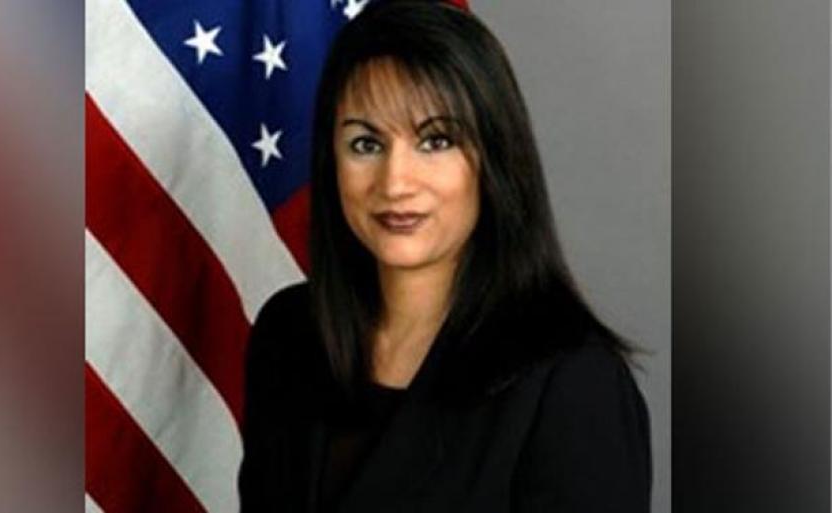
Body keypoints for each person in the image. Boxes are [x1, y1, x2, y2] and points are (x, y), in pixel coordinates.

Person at [238, 1, 652, 511]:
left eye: (435, 141)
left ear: (494, 159)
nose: (395, 182)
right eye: (365, 144)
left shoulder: (573, 381)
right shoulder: (289, 335)